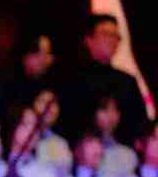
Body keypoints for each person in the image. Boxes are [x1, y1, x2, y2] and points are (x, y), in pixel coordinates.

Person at [59, 14, 148, 147]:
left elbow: (140, 126)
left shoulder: (127, 81)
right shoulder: (71, 79)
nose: (112, 40)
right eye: (106, 34)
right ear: (88, 40)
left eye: (116, 36)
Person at [0, 32, 56, 121]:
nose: (44, 60)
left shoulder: (48, 81)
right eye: (40, 54)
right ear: (27, 56)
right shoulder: (10, 79)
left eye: (47, 53)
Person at [92, 93, 137, 176]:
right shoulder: (85, 146)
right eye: (104, 109)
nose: (111, 115)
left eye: (115, 110)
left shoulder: (127, 149)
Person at [32, 89, 73, 174]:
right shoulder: (19, 136)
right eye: (43, 101)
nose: (49, 108)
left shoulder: (61, 144)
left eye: (53, 103)